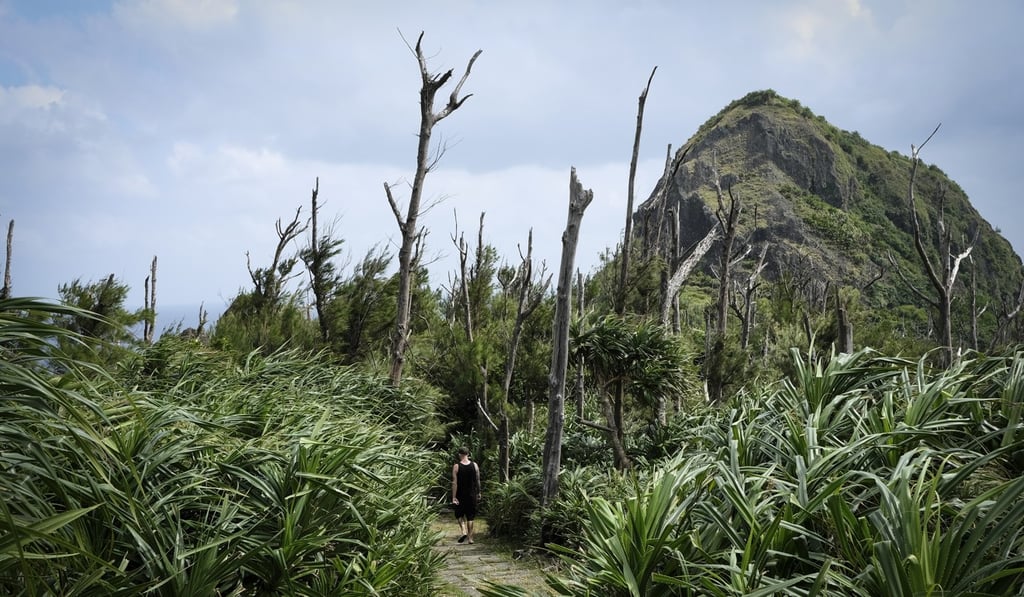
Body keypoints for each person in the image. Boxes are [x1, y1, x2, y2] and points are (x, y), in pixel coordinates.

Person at [451, 446, 481, 544]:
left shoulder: (456, 466)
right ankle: (470, 538)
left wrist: (454, 496)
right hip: (472, 494)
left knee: (459, 514)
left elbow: (454, 483)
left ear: (460, 454)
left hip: (460, 494)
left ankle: (463, 531)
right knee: (470, 516)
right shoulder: (475, 465)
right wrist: (479, 492)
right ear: (468, 454)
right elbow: (478, 480)